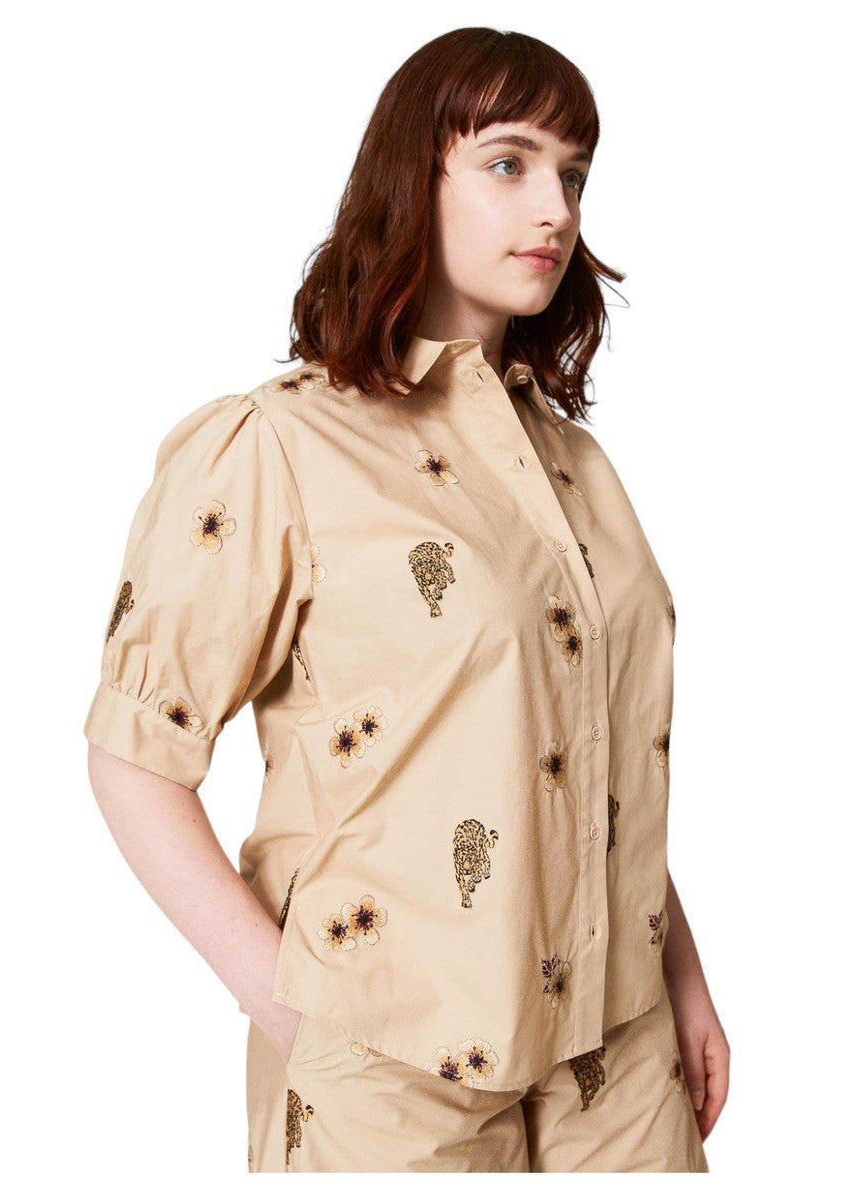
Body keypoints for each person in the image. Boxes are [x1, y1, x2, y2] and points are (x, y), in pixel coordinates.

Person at [84, 26, 729, 1173]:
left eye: (574, 174)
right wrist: (296, 1017)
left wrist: (682, 975)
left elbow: (587, 746)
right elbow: (136, 757)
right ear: (410, 177)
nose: (556, 209)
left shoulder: (576, 467)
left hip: (618, 1055)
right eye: (509, 163)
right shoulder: (278, 446)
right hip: (392, 1063)